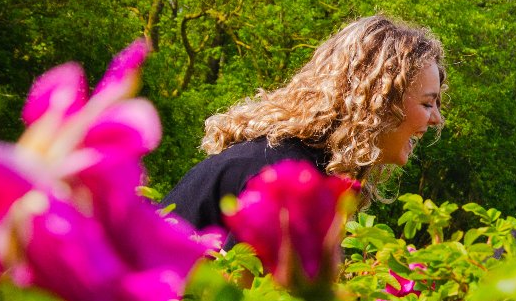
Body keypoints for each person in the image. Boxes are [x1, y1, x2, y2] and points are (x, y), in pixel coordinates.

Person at [162, 15, 446, 230]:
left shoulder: (293, 162)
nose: (436, 119)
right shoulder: (284, 177)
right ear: (379, 102)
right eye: (426, 103)